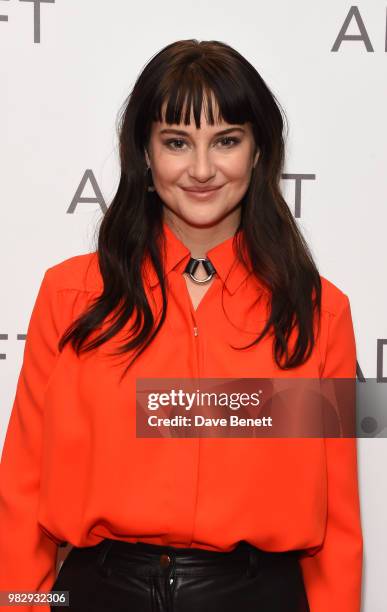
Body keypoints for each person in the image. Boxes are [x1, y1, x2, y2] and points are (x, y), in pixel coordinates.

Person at [0, 39, 363, 612]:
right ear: (144, 153)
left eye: (225, 141)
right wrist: (19, 606)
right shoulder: (70, 296)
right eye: (176, 141)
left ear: (259, 152)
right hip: (96, 594)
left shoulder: (318, 312)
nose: (200, 169)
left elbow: (337, 528)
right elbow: (21, 499)